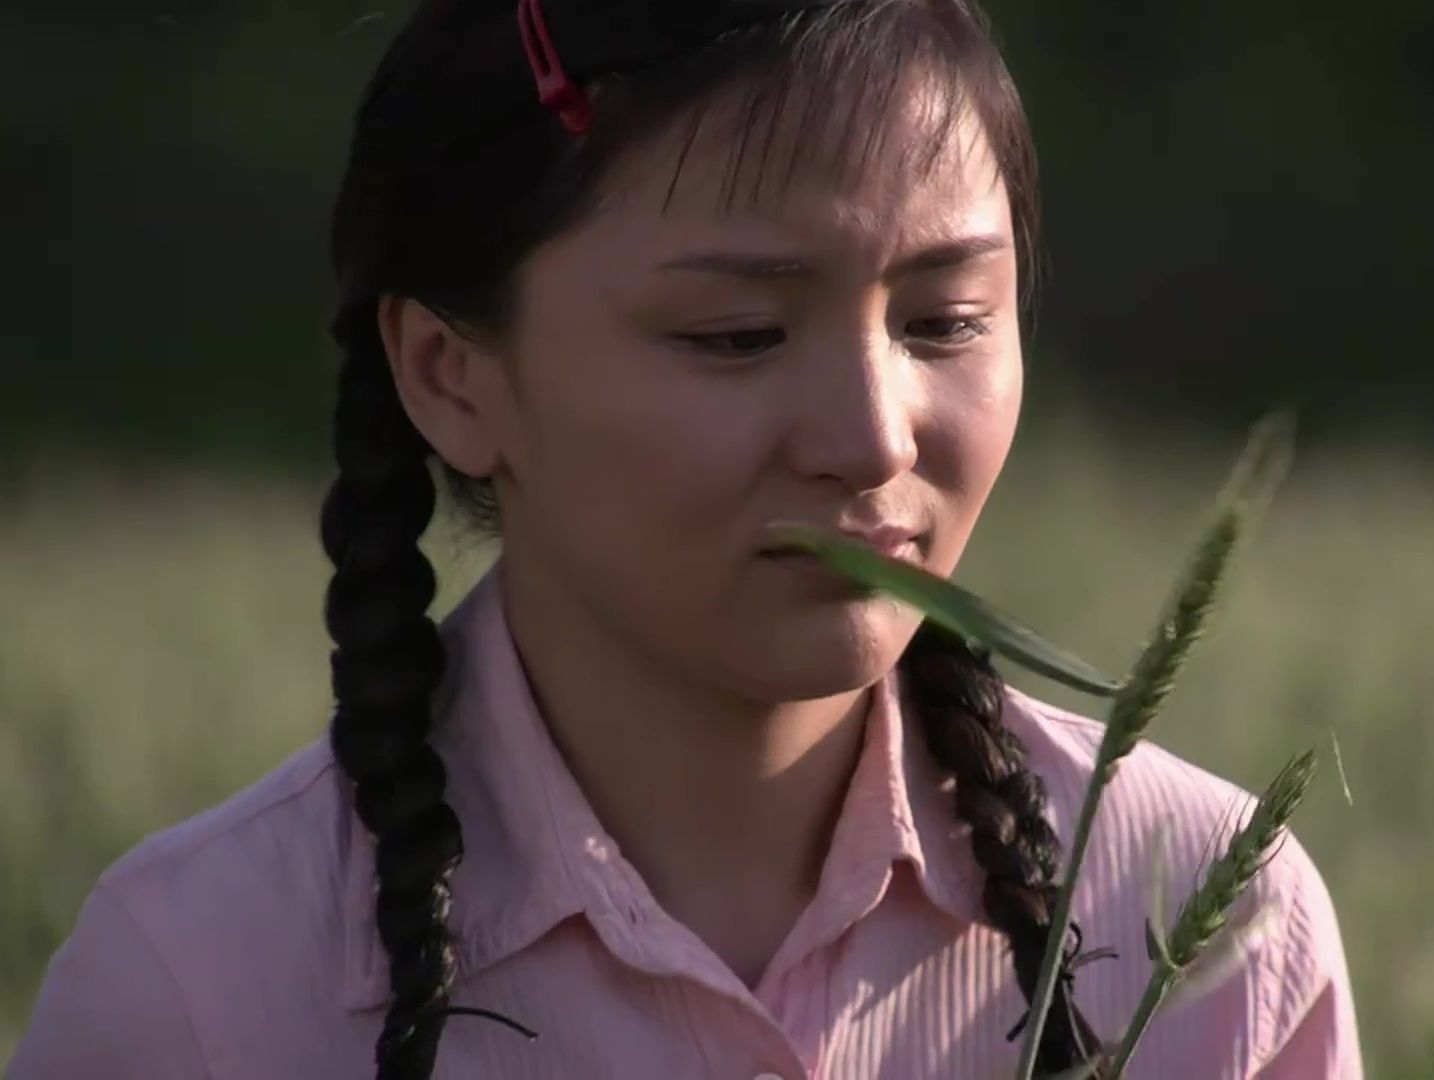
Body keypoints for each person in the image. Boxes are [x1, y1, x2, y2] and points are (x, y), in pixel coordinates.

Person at [8, 1, 1360, 1077]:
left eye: (944, 320)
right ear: (449, 374)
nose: (874, 437)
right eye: (737, 337)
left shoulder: (1204, 919)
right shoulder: (206, 985)